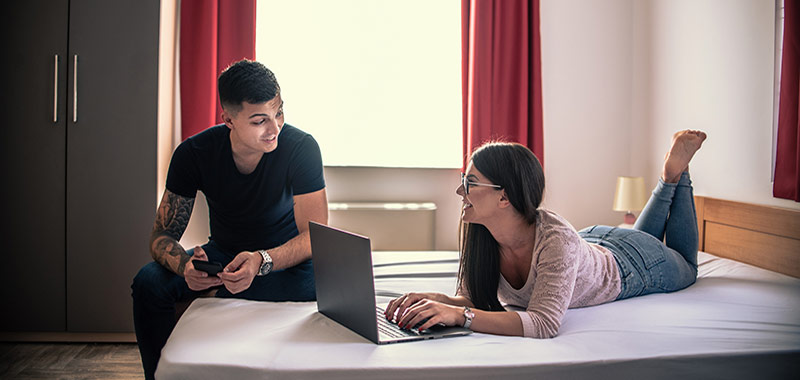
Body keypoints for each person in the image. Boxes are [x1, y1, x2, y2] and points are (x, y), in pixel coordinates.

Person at [385, 130, 707, 338]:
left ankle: (675, 176)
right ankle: (668, 178)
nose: (460, 191)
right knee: (643, 238)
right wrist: (441, 301)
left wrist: (461, 316)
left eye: (471, 183)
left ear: (504, 196)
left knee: (687, 267)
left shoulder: (556, 241)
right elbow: (474, 299)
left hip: (635, 265)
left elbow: (543, 323)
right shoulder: (484, 234)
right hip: (594, 241)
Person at [131, 60, 328, 379]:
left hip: (283, 262)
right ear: (228, 120)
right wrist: (186, 268)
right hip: (223, 256)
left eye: (279, 112)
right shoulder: (193, 153)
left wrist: (260, 261)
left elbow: (313, 238)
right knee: (148, 281)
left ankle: (218, 292)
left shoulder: (301, 147)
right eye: (259, 120)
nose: (274, 128)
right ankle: (157, 376)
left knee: (325, 286)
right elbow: (161, 236)